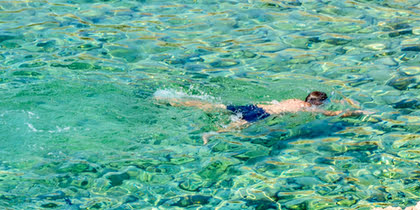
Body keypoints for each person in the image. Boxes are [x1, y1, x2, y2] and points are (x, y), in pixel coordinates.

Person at [155, 90, 366, 142]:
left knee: (215, 106)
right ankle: (210, 134)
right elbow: (339, 114)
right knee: (236, 127)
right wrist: (355, 107)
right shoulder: (307, 110)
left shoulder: (295, 101)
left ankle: (172, 98)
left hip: (255, 105)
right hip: (262, 114)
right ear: (317, 104)